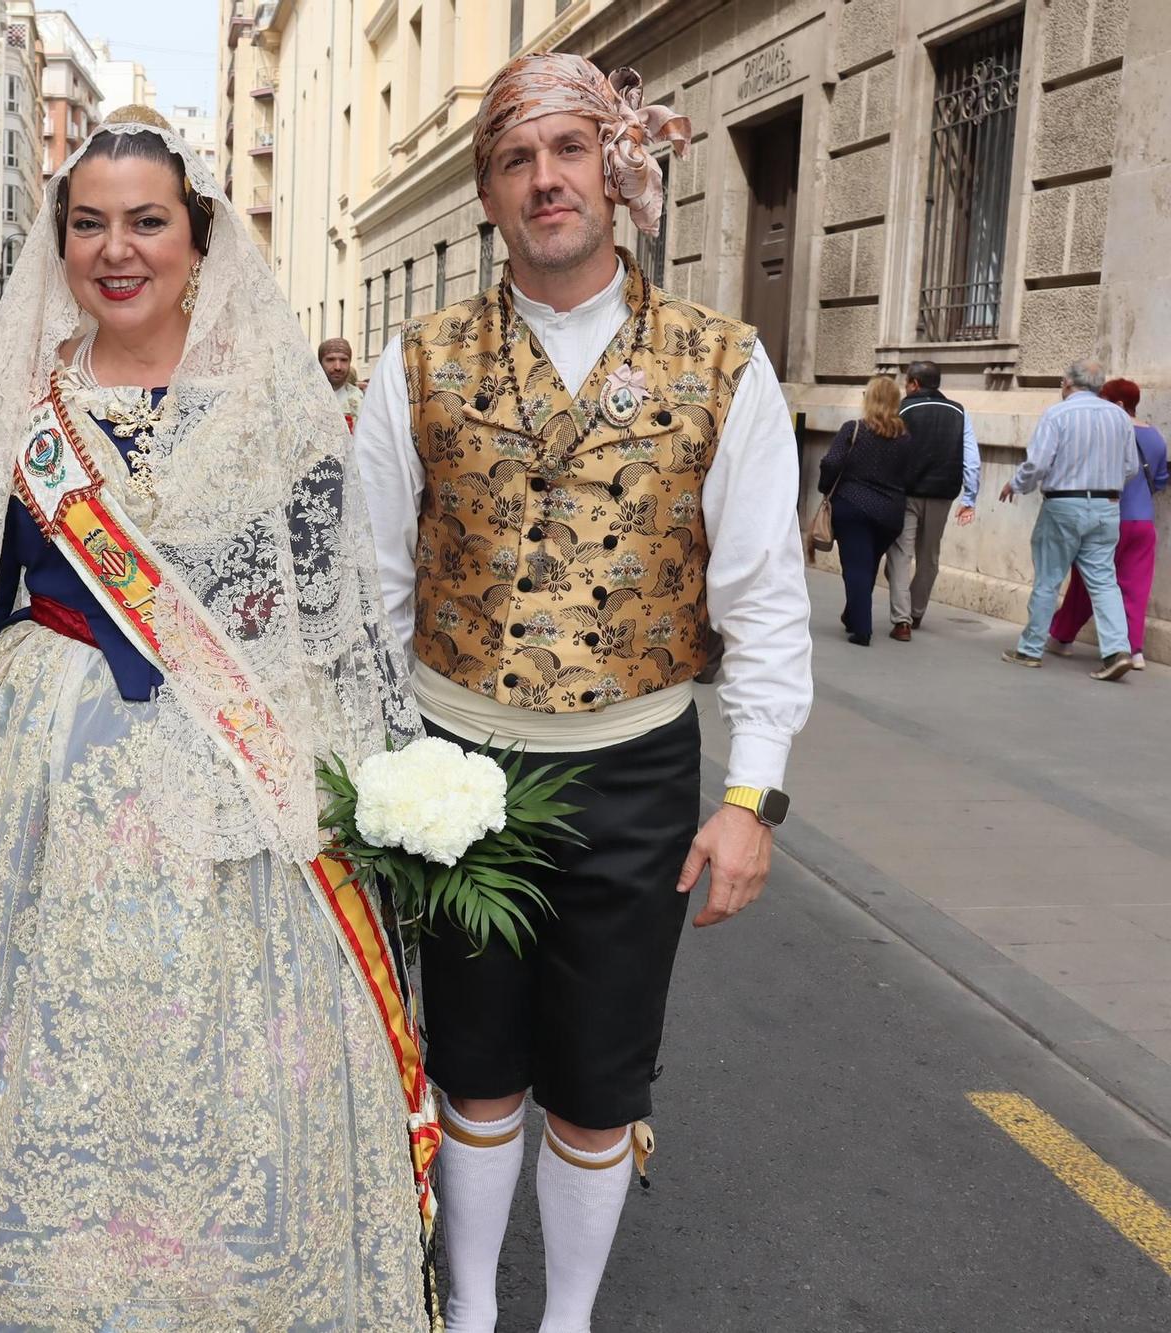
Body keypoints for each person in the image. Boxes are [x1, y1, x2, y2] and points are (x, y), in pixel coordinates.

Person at [0, 105, 432, 1327]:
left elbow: (327, 622)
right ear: (58, 246)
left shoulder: (271, 403)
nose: (118, 249)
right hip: (33, 762)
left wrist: (357, 794)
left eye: (147, 222)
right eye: (89, 225)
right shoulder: (21, 405)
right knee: (35, 1039)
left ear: (197, 241)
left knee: (208, 1052)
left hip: (224, 775)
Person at [351, 54, 813, 1333]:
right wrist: (375, 774)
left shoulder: (723, 362)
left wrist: (749, 796)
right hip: (455, 773)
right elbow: (371, 592)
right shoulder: (417, 363)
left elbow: (764, 598)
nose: (543, 179)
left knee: (598, 1088)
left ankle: (564, 1320)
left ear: (615, 173)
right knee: (475, 1070)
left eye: (566, 151)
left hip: (636, 774)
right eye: (513, 159)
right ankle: (469, 1312)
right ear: (487, 196)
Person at [1000, 358, 1141, 680]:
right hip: (1107, 505)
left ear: (1067, 383)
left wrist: (1017, 484)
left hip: (1064, 504)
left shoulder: (1058, 413)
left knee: (1049, 578)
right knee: (1105, 581)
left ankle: (1030, 649)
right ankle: (1117, 650)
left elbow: (1038, 463)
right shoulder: (1120, 416)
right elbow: (1131, 467)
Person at [1048, 377, 1168, 670]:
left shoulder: (1110, 431)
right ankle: (1134, 650)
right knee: (1135, 588)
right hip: (1143, 522)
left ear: (1118, 404)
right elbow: (1162, 479)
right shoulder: (1155, 435)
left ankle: (1061, 637)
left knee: (1086, 583)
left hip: (1108, 517)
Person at [818, 376, 920, 646]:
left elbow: (831, 462)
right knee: (868, 563)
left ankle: (862, 629)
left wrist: (825, 488)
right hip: (890, 513)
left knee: (855, 566)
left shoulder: (853, 429)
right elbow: (910, 476)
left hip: (852, 505)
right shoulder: (905, 438)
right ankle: (853, 614)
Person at [886, 360, 980, 640]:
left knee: (901, 555)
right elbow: (971, 459)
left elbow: (890, 450)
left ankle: (901, 620)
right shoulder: (958, 412)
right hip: (943, 494)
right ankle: (916, 611)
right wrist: (970, 496)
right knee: (930, 556)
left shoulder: (904, 409)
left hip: (907, 492)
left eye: (907, 382)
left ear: (914, 383)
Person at [321, 335, 364, 424]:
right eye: (330, 360)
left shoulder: (362, 402)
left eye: (343, 360)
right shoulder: (305, 399)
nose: (338, 367)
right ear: (320, 362)